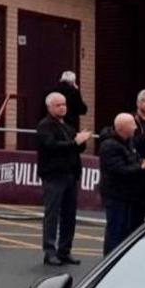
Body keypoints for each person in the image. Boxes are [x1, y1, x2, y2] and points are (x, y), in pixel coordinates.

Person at [32, 90, 89, 266]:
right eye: (58, 105)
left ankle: (65, 250)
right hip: (54, 175)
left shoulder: (68, 124)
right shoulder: (44, 125)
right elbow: (51, 146)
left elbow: (76, 148)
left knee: (69, 214)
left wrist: (81, 141)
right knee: (52, 214)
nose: (63, 108)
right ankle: (50, 251)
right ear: (49, 107)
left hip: (71, 174)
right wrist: (75, 142)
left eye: (64, 104)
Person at [97, 112, 145, 253]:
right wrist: (141, 167)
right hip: (115, 194)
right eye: (132, 125)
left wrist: (143, 161)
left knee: (126, 229)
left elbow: (134, 159)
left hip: (129, 194)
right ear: (122, 128)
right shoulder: (109, 146)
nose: (135, 127)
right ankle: (110, 259)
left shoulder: (128, 141)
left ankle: (121, 257)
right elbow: (119, 169)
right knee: (115, 229)